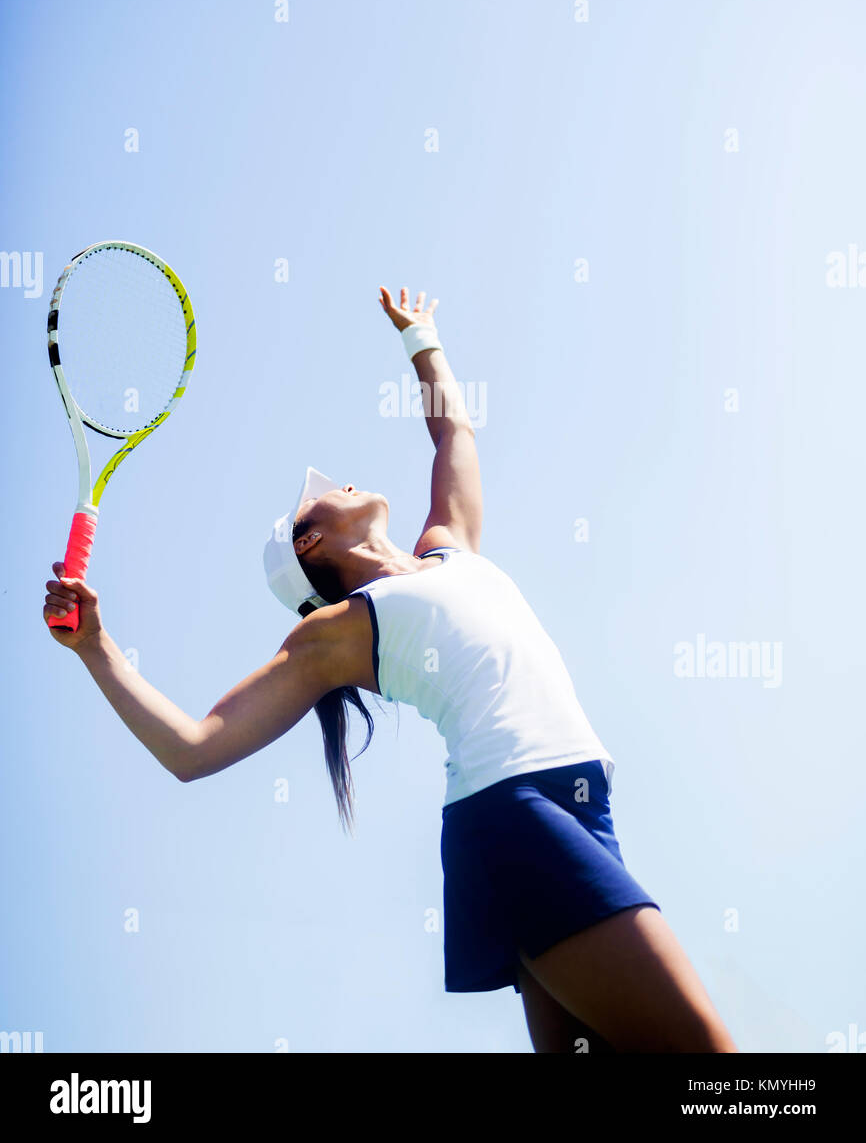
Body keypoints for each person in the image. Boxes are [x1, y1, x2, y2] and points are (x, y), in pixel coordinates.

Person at [43, 285, 737, 1054]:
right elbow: (194, 748)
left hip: (578, 810)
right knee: (709, 1058)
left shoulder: (450, 548)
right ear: (311, 547)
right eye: (317, 499)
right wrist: (96, 647)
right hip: (516, 814)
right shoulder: (338, 634)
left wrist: (421, 340)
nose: (335, 481)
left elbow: (455, 435)